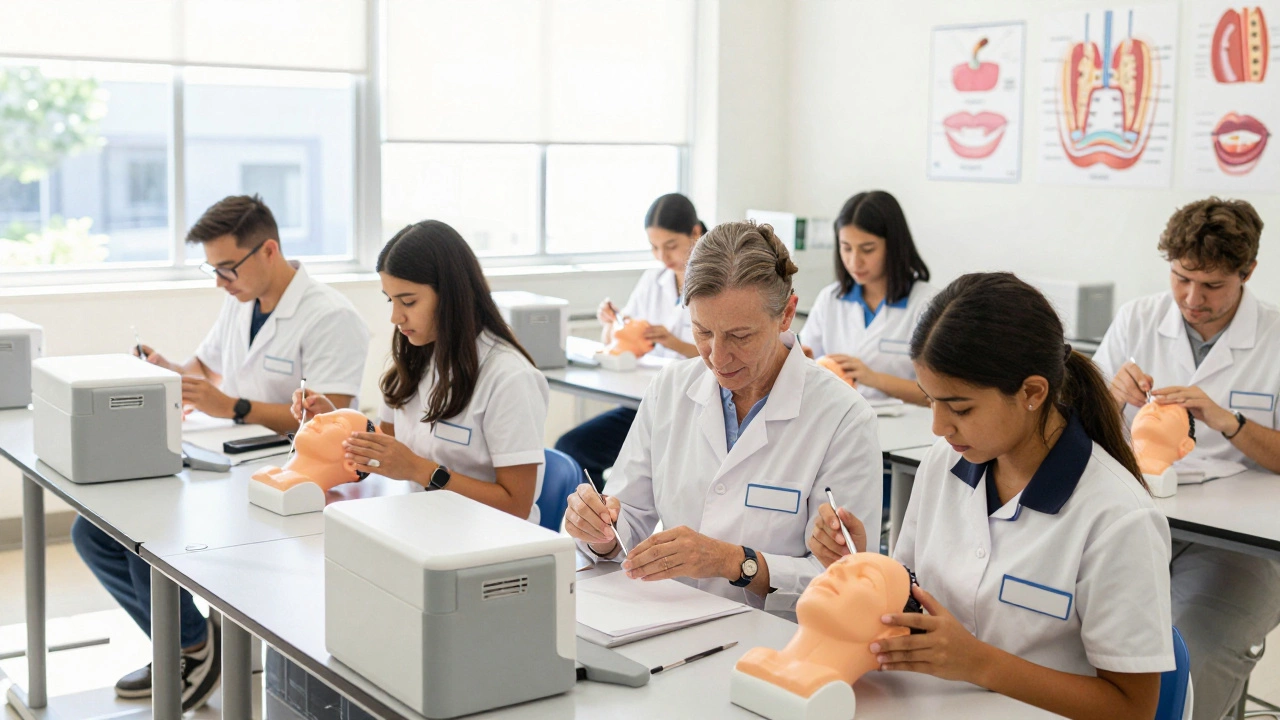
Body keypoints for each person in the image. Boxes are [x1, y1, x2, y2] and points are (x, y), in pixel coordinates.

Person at [811, 273, 1175, 720]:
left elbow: (1133, 709)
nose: (939, 427)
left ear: (1031, 393)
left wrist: (978, 662)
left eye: (960, 408)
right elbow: (912, 599)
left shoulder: (1118, 518)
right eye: (930, 401)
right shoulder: (943, 463)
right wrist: (862, 568)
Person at [71, 194, 369, 711]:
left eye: (226, 268)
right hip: (228, 458)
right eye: (213, 270)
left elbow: (332, 419)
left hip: (293, 475)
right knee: (93, 532)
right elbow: (199, 372)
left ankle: (190, 649)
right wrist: (162, 370)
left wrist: (233, 406)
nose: (219, 282)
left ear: (268, 250)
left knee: (155, 527)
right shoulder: (241, 303)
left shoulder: (330, 316)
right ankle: (190, 643)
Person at [563, 220, 883, 618]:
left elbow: (846, 580)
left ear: (786, 314)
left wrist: (736, 562)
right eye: (702, 331)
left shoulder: (844, 419)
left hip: (776, 640)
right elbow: (627, 521)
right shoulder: (670, 389)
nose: (717, 356)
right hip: (670, 619)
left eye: (740, 336)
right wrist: (599, 531)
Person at [1092, 197, 1280, 719]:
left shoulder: (1275, 337)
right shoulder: (1139, 319)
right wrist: (1109, 393)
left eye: (1213, 285)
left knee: (1191, 656)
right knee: (1083, 643)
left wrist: (1229, 422)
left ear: (1249, 273)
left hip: (1241, 545)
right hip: (1137, 522)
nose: (1192, 299)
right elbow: (1081, 428)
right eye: (1181, 278)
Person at [295, 220, 550, 522]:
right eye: (391, 300)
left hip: (489, 544)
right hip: (421, 525)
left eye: (409, 301)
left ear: (452, 295)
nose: (395, 316)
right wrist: (335, 423)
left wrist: (418, 469)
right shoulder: (413, 359)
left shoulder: (510, 378)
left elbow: (515, 506)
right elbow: (383, 449)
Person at [554, 193, 704, 488]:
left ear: (695, 233)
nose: (663, 257)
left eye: (671, 246)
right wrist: (613, 322)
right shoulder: (654, 279)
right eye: (655, 248)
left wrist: (675, 343)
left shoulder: (720, 279)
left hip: (694, 410)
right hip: (647, 402)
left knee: (657, 477)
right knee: (573, 448)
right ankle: (600, 533)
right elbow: (622, 341)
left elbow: (725, 353)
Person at [799, 191, 934, 405]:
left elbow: (940, 394)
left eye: (867, 249)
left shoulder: (926, 304)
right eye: (846, 248)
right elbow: (805, 364)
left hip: (908, 427)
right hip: (838, 420)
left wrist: (874, 379)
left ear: (894, 246)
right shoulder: (830, 299)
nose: (854, 261)